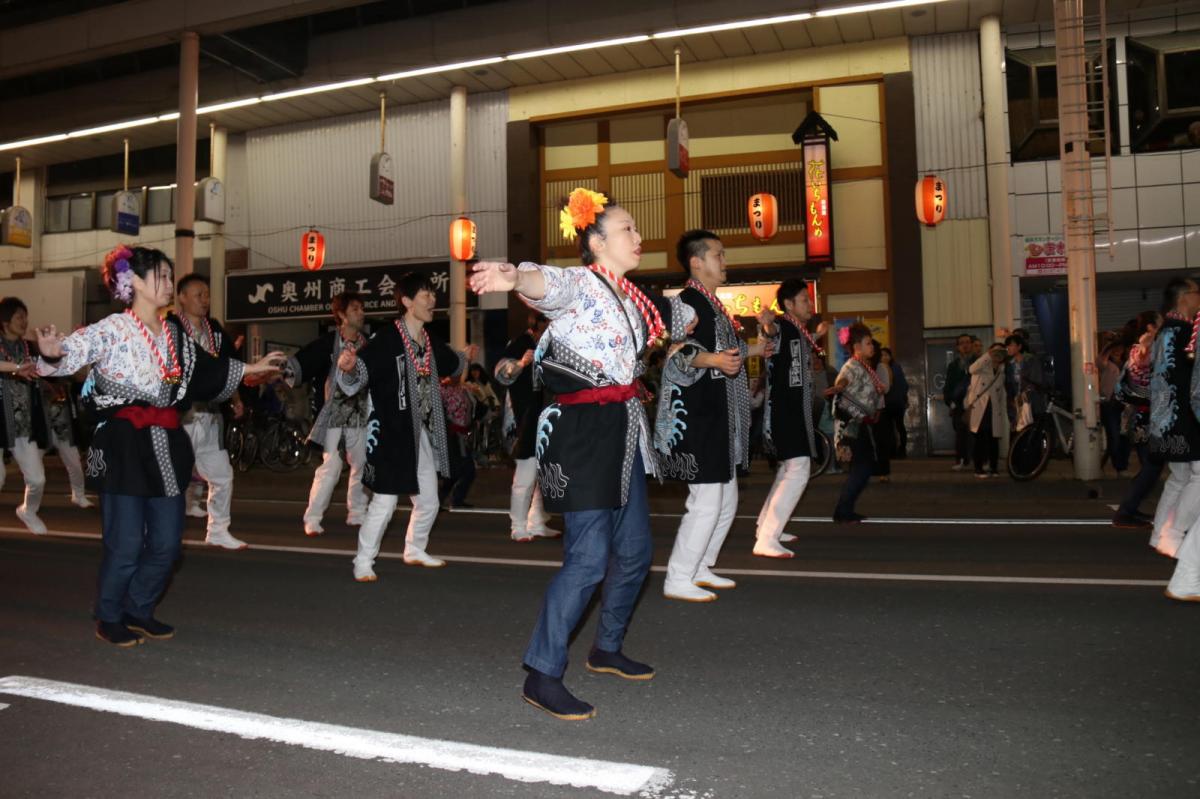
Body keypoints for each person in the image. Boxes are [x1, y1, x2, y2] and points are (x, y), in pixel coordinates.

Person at [469, 187, 693, 721]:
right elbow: (546, 283)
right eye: (627, 229)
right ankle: (542, 674)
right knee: (588, 560)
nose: (638, 237)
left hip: (623, 430)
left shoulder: (633, 297)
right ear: (595, 241)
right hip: (583, 431)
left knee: (636, 552)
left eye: (637, 230)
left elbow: (676, 320)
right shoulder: (582, 286)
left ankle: (605, 646)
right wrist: (515, 277)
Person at [34, 245, 281, 646]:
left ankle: (139, 607)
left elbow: (208, 368)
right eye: (162, 276)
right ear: (133, 281)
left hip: (167, 441)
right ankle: (109, 613)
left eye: (169, 276)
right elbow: (73, 350)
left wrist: (252, 368)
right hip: (123, 443)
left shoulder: (176, 336)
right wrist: (52, 354)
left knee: (168, 543)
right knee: (126, 542)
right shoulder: (112, 328)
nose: (169, 283)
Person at [335, 272, 476, 580]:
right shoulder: (386, 339)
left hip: (422, 433)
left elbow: (452, 365)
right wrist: (349, 366)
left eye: (433, 295)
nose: (432, 300)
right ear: (407, 302)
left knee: (429, 500)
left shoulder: (428, 340)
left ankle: (414, 548)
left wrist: (463, 358)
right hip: (392, 432)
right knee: (385, 501)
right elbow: (360, 368)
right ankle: (363, 561)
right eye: (425, 295)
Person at [658, 229, 770, 602]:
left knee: (726, 498)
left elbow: (730, 353)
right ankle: (677, 576)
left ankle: (701, 566)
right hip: (698, 414)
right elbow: (675, 355)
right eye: (718, 255)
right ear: (696, 261)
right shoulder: (686, 304)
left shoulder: (714, 305)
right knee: (705, 500)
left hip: (722, 416)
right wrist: (713, 360)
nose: (724, 262)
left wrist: (754, 350)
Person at [284, 291, 370, 537]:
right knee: (331, 467)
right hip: (333, 415)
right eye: (355, 309)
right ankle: (312, 517)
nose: (361, 313)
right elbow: (299, 365)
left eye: (361, 308)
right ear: (341, 315)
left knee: (361, 463)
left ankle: (357, 512)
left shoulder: (368, 345)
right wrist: (271, 372)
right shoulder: (328, 343)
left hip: (360, 414)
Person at [172, 274, 248, 550]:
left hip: (211, 415)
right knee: (174, 476)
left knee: (222, 475)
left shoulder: (214, 329)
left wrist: (235, 397)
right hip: (181, 415)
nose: (204, 300)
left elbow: (228, 366)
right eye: (198, 294)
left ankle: (218, 529)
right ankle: (161, 533)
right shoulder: (170, 328)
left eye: (207, 294)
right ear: (181, 297)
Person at [753, 278, 820, 559]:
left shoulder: (799, 331)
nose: (810, 304)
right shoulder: (783, 326)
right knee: (799, 468)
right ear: (789, 305)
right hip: (784, 411)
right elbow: (770, 334)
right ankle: (767, 538)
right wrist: (767, 325)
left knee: (788, 468)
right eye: (804, 299)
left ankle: (766, 528)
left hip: (794, 412)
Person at [494, 312, 559, 542]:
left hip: (547, 417)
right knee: (526, 474)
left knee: (545, 474)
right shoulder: (521, 343)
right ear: (538, 324)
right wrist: (521, 363)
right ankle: (518, 525)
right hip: (526, 420)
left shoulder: (550, 344)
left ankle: (537, 521)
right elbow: (501, 373)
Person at [1148, 277, 1200, 558]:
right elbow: (1190, 380)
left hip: (1165, 418)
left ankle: (1160, 535)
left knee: (1179, 476)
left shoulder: (1165, 331)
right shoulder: (1183, 332)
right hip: (1184, 414)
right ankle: (1174, 534)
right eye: (1197, 292)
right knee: (1198, 475)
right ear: (1184, 297)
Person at [0, 297, 51, 534]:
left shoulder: (28, 347)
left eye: (25, 316)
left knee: (37, 479)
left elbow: (50, 365)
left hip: (22, 424)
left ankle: (28, 510)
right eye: (19, 316)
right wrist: (18, 368)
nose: (24, 321)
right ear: (5, 321)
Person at [829, 323, 886, 523]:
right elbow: (844, 380)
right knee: (862, 467)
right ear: (857, 346)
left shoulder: (865, 367)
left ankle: (844, 509)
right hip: (850, 424)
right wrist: (838, 387)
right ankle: (843, 510)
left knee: (863, 467)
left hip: (860, 423)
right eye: (868, 343)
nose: (872, 347)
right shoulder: (851, 366)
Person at [1112, 311, 1163, 529]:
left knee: (1151, 466)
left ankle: (1130, 509)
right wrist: (1147, 346)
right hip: (1146, 417)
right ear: (1151, 327)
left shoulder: (1139, 348)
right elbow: (1143, 363)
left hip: (1143, 415)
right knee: (1152, 466)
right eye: (1160, 324)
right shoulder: (1143, 348)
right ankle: (1126, 511)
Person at [41, 377, 92, 508]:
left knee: (74, 464)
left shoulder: (66, 381)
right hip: (41, 429)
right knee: (32, 469)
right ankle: (30, 502)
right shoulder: (34, 378)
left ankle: (79, 495)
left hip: (63, 428)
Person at [967, 343, 1009, 478]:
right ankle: (978, 469)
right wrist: (987, 355)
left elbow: (1002, 394)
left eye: (1000, 352)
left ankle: (993, 467)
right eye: (994, 351)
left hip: (994, 409)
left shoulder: (1002, 371)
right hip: (980, 407)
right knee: (979, 438)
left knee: (993, 439)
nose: (997, 355)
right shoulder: (981, 367)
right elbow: (971, 369)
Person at [438, 371, 477, 509]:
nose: (458, 376)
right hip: (450, 435)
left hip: (463, 434)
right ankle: (445, 499)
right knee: (461, 469)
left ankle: (450, 499)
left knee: (464, 469)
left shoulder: (462, 389)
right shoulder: (441, 389)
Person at [1098, 338, 1131, 475]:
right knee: (1114, 436)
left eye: (1120, 348)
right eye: (1115, 348)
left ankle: (1121, 465)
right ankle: (1118, 466)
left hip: (1126, 404)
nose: (1118, 351)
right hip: (1110, 404)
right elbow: (1100, 360)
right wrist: (1108, 347)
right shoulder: (1106, 364)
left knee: (1125, 437)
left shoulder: (1128, 363)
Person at [944, 334, 973, 471]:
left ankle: (980, 460)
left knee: (978, 432)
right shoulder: (953, 365)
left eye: (968, 342)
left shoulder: (978, 361)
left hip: (976, 403)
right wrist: (950, 402)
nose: (965, 345)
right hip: (959, 404)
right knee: (960, 433)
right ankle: (961, 459)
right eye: (962, 343)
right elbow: (948, 386)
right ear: (957, 347)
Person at [880, 347, 909, 458]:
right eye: (882, 355)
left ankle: (902, 450)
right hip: (885, 403)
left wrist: (903, 398)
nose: (884, 357)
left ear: (890, 356)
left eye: (886, 355)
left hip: (896, 402)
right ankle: (891, 451)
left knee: (899, 426)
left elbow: (903, 385)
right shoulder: (879, 368)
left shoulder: (895, 367)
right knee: (888, 428)